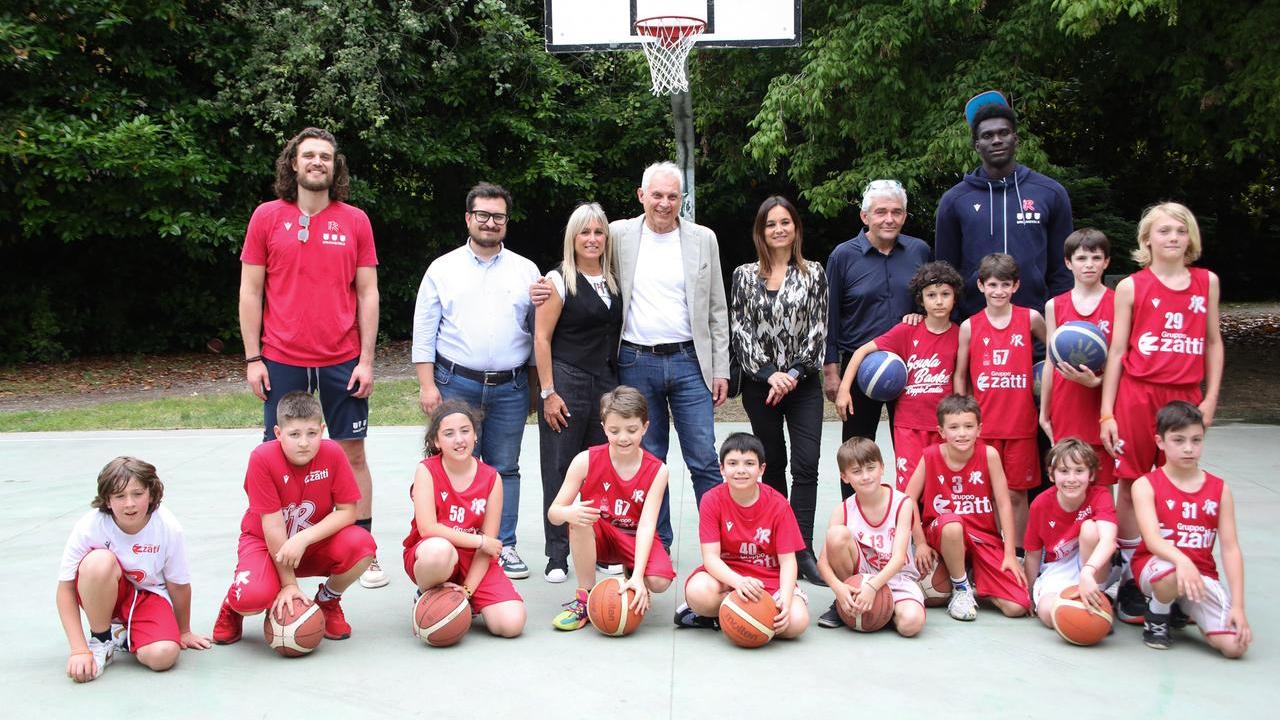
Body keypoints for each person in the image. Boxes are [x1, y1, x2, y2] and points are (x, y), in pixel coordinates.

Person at [238, 127, 385, 589]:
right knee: (277, 454)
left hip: (342, 357)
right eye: (309, 156)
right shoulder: (266, 217)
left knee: (352, 452)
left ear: (335, 166)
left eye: (326, 156)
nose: (317, 162)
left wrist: (366, 359)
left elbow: (367, 293)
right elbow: (250, 290)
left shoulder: (355, 220)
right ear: (293, 164)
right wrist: (252, 358)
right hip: (281, 356)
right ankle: (275, 550)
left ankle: (362, 543)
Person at [1099, 203, 1222, 624]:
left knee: (1175, 480)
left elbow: (1213, 343)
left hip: (1183, 394)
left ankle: (1173, 571)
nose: (1173, 237)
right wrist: (1106, 412)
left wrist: (1209, 399)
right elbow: (1117, 351)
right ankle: (1133, 575)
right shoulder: (1133, 286)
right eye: (1164, 231)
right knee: (1131, 482)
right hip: (1138, 392)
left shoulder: (1207, 282)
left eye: (1181, 230)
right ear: (1147, 240)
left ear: (1191, 239)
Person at [413, 182, 542, 580]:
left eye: (498, 216)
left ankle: (504, 546)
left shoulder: (526, 270)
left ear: (506, 221)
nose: (490, 222)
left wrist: (537, 388)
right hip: (456, 383)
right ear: (469, 218)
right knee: (454, 464)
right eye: (482, 215)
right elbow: (424, 330)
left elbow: (538, 334)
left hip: (510, 385)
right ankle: (450, 544)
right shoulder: (443, 268)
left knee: (505, 468)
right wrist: (427, 385)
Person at [610, 162, 730, 550]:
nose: (664, 203)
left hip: (689, 361)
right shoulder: (617, 235)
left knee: (703, 458)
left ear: (682, 199)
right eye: (657, 195)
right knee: (649, 457)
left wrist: (721, 368)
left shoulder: (702, 238)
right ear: (641, 195)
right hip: (634, 360)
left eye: (672, 196)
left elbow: (716, 308)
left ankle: (719, 544)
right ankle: (656, 543)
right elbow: (586, 270)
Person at [212, 391, 377, 646]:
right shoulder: (262, 458)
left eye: (312, 433)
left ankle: (328, 600)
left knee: (362, 545)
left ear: (323, 430)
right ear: (278, 434)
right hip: (266, 544)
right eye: (294, 434)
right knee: (252, 599)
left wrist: (303, 538)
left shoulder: (332, 453)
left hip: (308, 542)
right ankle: (232, 606)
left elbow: (348, 511)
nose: (304, 443)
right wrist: (289, 584)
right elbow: (273, 526)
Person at [729, 195, 828, 585]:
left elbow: (819, 331)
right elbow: (741, 332)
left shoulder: (814, 273)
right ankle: (776, 547)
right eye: (771, 224)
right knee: (773, 467)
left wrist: (792, 374)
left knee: (806, 466)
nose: (779, 229)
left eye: (785, 222)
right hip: (761, 387)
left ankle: (802, 549)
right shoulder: (743, 275)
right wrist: (771, 373)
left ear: (796, 228)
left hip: (802, 386)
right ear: (761, 231)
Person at [56, 457, 210, 682]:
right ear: (107, 500)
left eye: (137, 494)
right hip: (107, 594)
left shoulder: (168, 527)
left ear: (151, 493)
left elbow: (178, 585)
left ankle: (125, 636)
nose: (129, 503)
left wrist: (183, 630)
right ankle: (101, 640)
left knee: (163, 656)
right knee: (99, 561)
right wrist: (78, 650)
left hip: (148, 597)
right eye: (119, 496)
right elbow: (65, 589)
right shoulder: (90, 526)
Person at [535, 202, 623, 583]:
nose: (592, 239)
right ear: (573, 237)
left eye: (598, 232)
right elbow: (541, 338)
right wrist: (548, 393)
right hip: (566, 383)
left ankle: (598, 546)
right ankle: (557, 553)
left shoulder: (613, 280)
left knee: (598, 468)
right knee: (559, 466)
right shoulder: (557, 281)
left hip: (605, 384)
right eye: (584, 232)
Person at [823, 180, 931, 486]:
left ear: (904, 216)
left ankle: (916, 522)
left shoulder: (919, 251)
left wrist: (920, 315)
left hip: (912, 367)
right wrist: (832, 372)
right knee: (857, 451)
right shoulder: (843, 256)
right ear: (864, 216)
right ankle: (855, 523)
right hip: (860, 370)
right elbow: (829, 316)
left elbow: (936, 300)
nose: (889, 219)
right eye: (881, 211)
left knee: (914, 450)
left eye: (896, 212)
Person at [935, 91, 1073, 318]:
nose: (997, 140)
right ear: (977, 145)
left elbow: (1063, 269)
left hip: (1036, 324)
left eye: (1003, 133)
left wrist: (1058, 318)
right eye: (988, 136)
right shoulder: (954, 200)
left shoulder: (1050, 193)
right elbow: (945, 272)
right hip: (975, 328)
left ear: (1015, 139)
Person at [546, 387, 674, 631]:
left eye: (632, 430)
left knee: (659, 581)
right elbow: (554, 512)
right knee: (581, 518)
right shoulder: (585, 460)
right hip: (599, 535)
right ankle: (585, 597)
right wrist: (568, 513)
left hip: (634, 536)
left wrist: (638, 576)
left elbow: (648, 525)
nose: (623, 437)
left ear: (645, 427)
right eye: (614, 431)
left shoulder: (658, 470)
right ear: (603, 427)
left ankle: (631, 574)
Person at [1130, 402, 1249, 656]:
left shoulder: (1220, 489)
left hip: (1199, 574)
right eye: (1178, 440)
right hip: (1158, 567)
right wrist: (1182, 561)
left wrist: (1238, 606)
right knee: (1169, 576)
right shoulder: (1146, 485)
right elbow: (1152, 540)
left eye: (1196, 440)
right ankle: (1158, 615)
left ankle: (1183, 606)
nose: (1188, 448)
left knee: (1235, 646)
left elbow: (1230, 549)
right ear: (1160, 442)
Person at [402, 400, 525, 638]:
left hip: (475, 561)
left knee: (511, 624)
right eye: (449, 434)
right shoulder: (426, 470)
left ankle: (462, 600)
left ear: (475, 435)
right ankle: (427, 593)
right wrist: (479, 542)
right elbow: (428, 529)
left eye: (465, 431)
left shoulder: (492, 478)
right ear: (436, 441)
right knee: (439, 550)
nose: (459, 440)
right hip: (433, 555)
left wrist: (466, 592)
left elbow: (488, 548)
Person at [836, 261, 963, 491]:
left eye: (945, 294)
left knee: (941, 486)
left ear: (955, 297)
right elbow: (862, 351)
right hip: (908, 426)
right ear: (920, 299)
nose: (938, 300)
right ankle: (908, 527)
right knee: (910, 488)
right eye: (931, 295)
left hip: (944, 425)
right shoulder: (907, 331)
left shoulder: (961, 335)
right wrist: (844, 389)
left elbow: (963, 379)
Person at [906, 395, 1029, 621]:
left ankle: (974, 579)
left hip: (982, 537)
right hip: (942, 533)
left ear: (979, 429)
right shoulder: (931, 455)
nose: (962, 433)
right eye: (954, 427)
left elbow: (1003, 503)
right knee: (953, 524)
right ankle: (961, 590)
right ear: (941, 431)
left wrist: (1010, 553)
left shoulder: (989, 455)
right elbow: (908, 499)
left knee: (1017, 607)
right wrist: (920, 542)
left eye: (968, 426)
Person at [680, 433, 810, 638]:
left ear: (761, 469)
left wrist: (785, 598)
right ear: (722, 468)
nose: (741, 470)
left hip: (769, 576)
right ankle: (732, 611)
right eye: (732, 463)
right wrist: (739, 582)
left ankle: (738, 613)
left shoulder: (779, 504)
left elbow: (788, 561)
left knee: (796, 622)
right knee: (699, 592)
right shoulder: (711, 500)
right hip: (730, 575)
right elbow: (711, 557)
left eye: (749, 463)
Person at [955, 253, 1046, 545]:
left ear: (1016, 286)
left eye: (1005, 285)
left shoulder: (1030, 318)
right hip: (985, 426)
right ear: (981, 285)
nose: (999, 291)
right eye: (993, 284)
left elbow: (1056, 351)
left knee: (1018, 493)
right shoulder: (970, 326)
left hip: (1021, 424)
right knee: (987, 494)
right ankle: (992, 551)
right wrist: (962, 416)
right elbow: (960, 374)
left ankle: (1019, 551)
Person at [815, 438, 929, 636]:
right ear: (844, 477)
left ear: (882, 468)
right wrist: (840, 588)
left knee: (911, 624)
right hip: (859, 577)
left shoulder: (902, 503)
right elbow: (823, 563)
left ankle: (881, 609)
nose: (866, 476)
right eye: (857, 471)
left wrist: (874, 587)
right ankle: (848, 600)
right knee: (836, 535)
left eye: (871, 468)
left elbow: (899, 558)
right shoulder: (843, 510)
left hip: (896, 576)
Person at [1038, 229, 1116, 486]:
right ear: (1068, 263)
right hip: (1066, 404)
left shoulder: (1118, 303)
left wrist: (1097, 382)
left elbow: (1122, 360)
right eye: (1082, 258)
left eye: (1096, 258)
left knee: (1101, 486)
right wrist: (1044, 410)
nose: (1089, 265)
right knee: (1069, 481)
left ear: (1106, 262)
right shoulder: (1055, 306)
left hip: (1101, 406)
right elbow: (1050, 362)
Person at [1023, 439, 1118, 630]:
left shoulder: (1100, 495)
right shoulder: (1040, 504)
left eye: (1079, 471)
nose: (1071, 478)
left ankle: (1098, 595)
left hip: (1094, 564)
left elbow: (1109, 540)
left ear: (1091, 474)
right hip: (1057, 567)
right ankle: (1087, 614)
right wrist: (1029, 592)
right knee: (1049, 611)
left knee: (1090, 529)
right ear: (1051, 474)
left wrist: (1088, 571)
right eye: (1064, 471)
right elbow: (1033, 553)